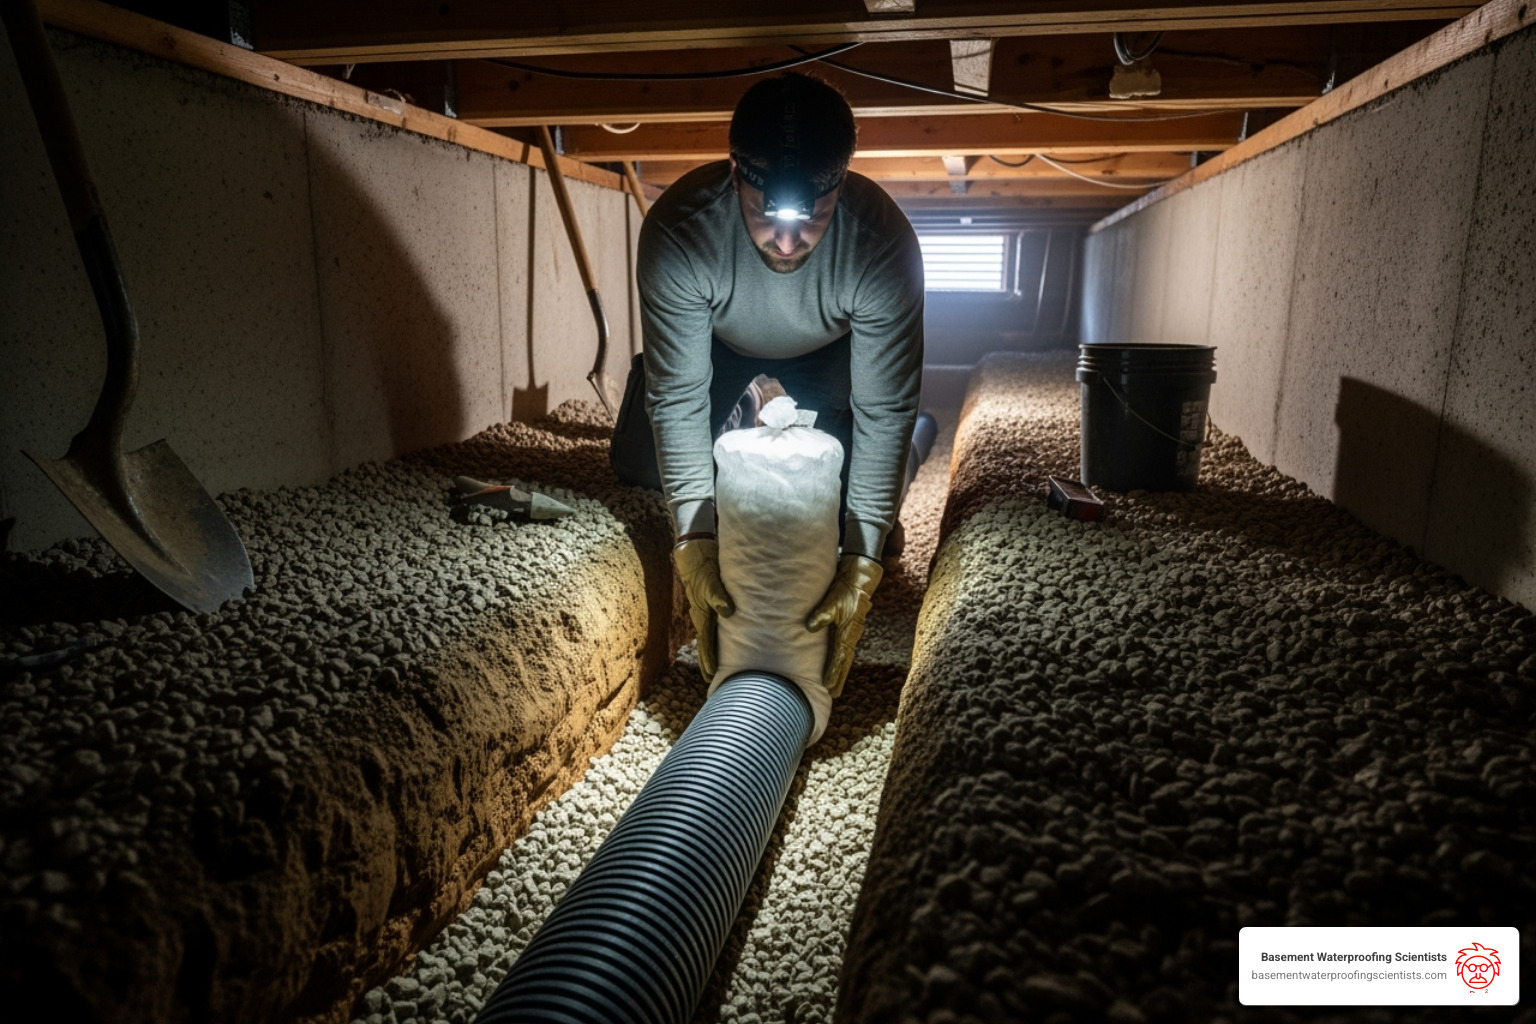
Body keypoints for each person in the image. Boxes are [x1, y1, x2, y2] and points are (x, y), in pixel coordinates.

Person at [610, 72, 924, 700]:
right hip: (718, 346)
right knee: (643, 465)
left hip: (832, 355)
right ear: (735, 178)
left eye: (813, 218)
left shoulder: (881, 243)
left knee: (844, 510)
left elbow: (885, 411)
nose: (786, 242)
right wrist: (695, 543)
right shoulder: (681, 231)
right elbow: (678, 396)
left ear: (840, 185)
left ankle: (892, 469)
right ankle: (753, 403)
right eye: (764, 215)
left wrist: (863, 555)